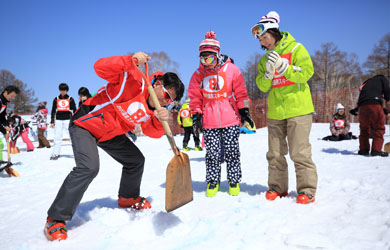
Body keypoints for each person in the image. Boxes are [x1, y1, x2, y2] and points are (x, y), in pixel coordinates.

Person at [44, 52, 184, 241]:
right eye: (167, 95)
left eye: (171, 101)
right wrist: (130, 61)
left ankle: (128, 198)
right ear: (158, 85)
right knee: (89, 167)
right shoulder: (132, 80)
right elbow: (99, 66)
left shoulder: (156, 110)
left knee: (135, 160)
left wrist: (160, 121)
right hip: (85, 125)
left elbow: (152, 132)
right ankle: (55, 218)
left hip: (110, 134)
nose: (167, 101)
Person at [251, 11, 317, 204]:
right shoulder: (264, 61)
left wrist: (285, 68)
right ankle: (278, 188)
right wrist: (268, 75)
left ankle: (307, 190)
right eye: (260, 39)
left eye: (265, 37)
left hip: (298, 109)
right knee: (275, 153)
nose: (263, 42)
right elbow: (262, 86)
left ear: (274, 33)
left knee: (299, 152)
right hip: (276, 111)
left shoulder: (296, 48)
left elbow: (307, 72)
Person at [188, 31, 253, 197]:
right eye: (202, 58)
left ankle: (233, 181)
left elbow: (241, 93)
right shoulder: (198, 75)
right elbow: (195, 98)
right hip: (209, 121)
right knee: (212, 154)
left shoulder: (232, 70)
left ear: (217, 55)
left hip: (230, 118)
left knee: (232, 152)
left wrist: (244, 110)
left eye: (209, 58)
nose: (206, 62)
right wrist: (196, 116)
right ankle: (212, 182)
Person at [352, 75, 390, 157]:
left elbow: (365, 97)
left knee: (364, 128)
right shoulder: (383, 78)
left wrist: (356, 109)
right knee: (379, 128)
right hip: (375, 105)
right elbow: (387, 92)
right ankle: (376, 150)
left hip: (362, 106)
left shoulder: (367, 83)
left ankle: (363, 150)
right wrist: (388, 98)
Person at [50, 83, 77, 160]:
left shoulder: (70, 98)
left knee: (72, 136)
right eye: (61, 90)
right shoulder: (56, 99)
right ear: (59, 90)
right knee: (57, 136)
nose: (63, 92)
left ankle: (77, 153)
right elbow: (53, 110)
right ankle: (55, 153)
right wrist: (52, 121)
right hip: (58, 119)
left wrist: (75, 120)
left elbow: (74, 109)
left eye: (64, 90)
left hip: (68, 119)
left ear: (67, 90)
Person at [0, 86, 20, 162]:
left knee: (0, 144)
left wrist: (6, 126)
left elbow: (1, 117)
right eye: (11, 96)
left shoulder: (4, 102)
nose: (12, 98)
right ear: (5, 92)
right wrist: (4, 132)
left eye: (14, 97)